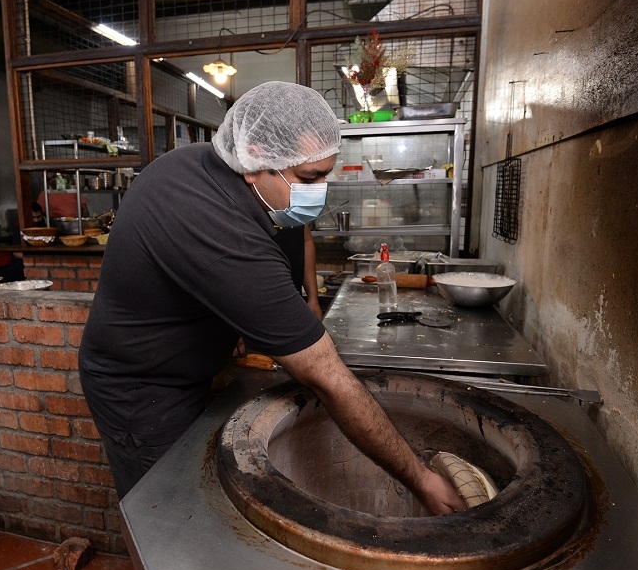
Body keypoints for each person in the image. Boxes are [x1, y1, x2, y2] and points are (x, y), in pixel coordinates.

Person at [78, 81, 464, 514]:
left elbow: (296, 232)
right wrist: (421, 479)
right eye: (310, 178)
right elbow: (323, 373)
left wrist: (281, 312)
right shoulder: (209, 217)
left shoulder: (247, 183)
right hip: (141, 389)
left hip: (187, 366)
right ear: (255, 157)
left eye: (324, 175)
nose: (319, 191)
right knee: (171, 514)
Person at [272, 224, 322, 319]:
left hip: (294, 300)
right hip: (261, 302)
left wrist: (313, 299)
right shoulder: (246, 212)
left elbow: (306, 240)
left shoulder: (297, 210)